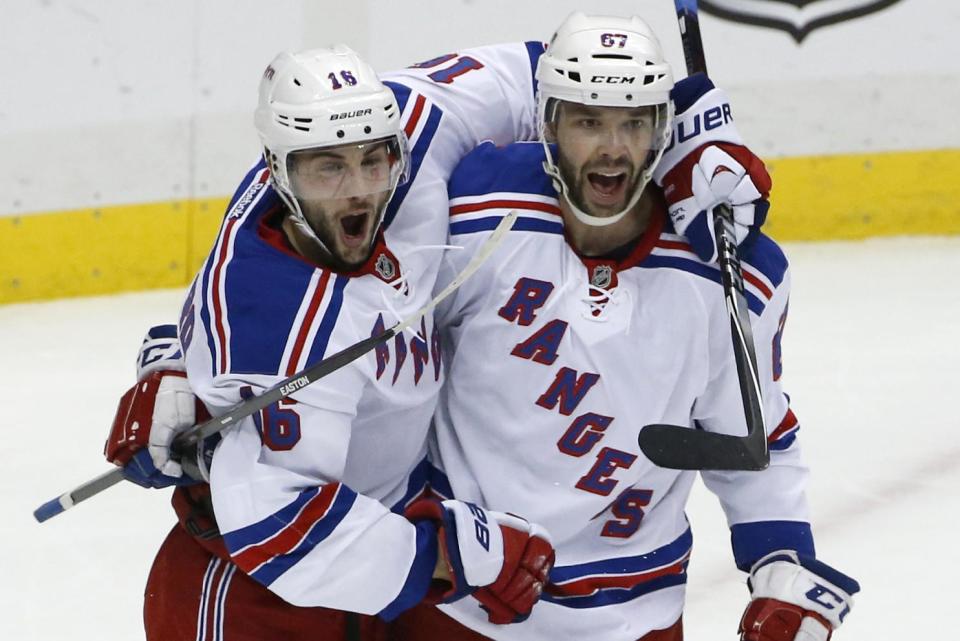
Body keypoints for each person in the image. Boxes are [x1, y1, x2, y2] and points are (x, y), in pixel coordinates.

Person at [389, 12, 860, 641]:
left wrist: (780, 560)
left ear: (663, 132)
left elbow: (754, 434)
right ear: (547, 124)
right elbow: (390, 366)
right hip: (464, 596)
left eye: (634, 122)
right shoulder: (475, 213)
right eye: (588, 121)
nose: (612, 147)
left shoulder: (735, 277)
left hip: (634, 613)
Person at [105, 42, 558, 641]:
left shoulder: (403, 131)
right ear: (279, 173)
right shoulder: (272, 325)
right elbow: (281, 534)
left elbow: (544, 72)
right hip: (254, 600)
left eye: (374, 160)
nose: (360, 190)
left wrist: (690, 138)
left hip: (375, 579)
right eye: (329, 168)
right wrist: (453, 555)